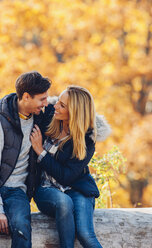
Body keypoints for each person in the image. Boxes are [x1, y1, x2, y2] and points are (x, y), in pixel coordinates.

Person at [31, 86, 111, 248]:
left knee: (85, 234)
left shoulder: (87, 141)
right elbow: (24, 100)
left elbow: (66, 176)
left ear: (74, 112)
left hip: (77, 188)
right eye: (58, 101)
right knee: (64, 202)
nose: (55, 106)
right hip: (46, 188)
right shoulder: (49, 116)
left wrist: (41, 151)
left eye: (62, 105)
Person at [0, 71, 51, 248]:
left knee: (22, 227)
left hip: (16, 191)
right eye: (42, 99)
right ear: (26, 97)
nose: (46, 104)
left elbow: (72, 108)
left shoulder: (40, 117)